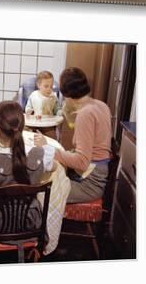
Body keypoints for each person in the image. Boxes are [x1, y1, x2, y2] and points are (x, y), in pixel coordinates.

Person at [0, 101, 56, 233]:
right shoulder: (41, 156)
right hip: (30, 222)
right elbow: (53, 166)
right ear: (22, 127)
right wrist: (43, 146)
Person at [34, 67, 112, 203]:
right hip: (97, 173)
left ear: (66, 94)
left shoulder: (85, 114)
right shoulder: (101, 105)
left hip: (89, 183)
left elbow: (81, 162)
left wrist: (49, 148)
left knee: (39, 191)